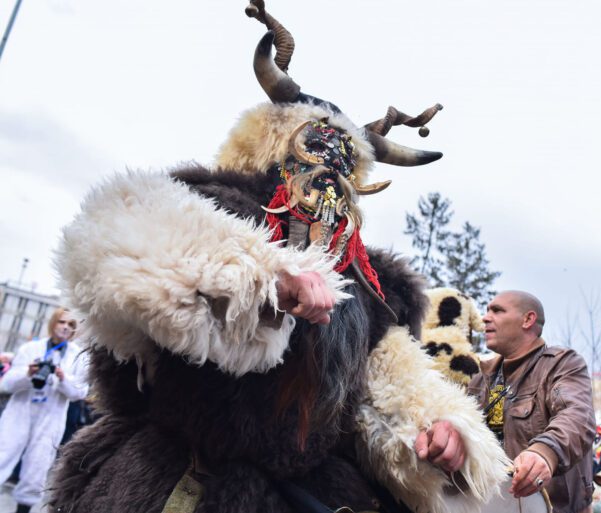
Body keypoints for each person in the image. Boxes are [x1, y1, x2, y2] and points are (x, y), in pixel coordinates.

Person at [47, 2, 511, 512]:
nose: (325, 186)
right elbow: (125, 238)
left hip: (297, 489)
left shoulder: (370, 284)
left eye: (341, 174)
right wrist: (261, 278)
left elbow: (387, 387)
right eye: (313, 158)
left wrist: (434, 432)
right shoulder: (210, 204)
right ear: (276, 148)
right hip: (174, 474)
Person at [467, 290, 596, 513]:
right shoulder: (480, 380)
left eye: (497, 310)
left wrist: (545, 453)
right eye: (487, 311)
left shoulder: (561, 364)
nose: (485, 318)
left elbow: (577, 416)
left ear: (528, 319)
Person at [0, 308, 89, 513]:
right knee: (2, 454)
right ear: (53, 323)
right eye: (61, 322)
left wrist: (63, 378)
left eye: (71, 324)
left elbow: (79, 392)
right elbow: (8, 383)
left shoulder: (77, 357)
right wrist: (28, 373)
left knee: (37, 466)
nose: (65, 327)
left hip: (50, 418)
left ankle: (23, 509)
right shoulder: (30, 349)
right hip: (19, 413)